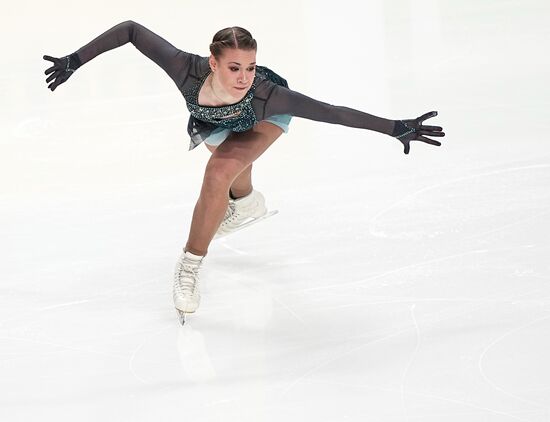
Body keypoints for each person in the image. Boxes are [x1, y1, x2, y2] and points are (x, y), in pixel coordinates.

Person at [43, 20, 445, 322]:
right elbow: (131, 30)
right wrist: (74, 60)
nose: (243, 77)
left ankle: (189, 265)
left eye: (251, 67)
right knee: (231, 177)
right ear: (212, 62)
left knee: (219, 172)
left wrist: (394, 128)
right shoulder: (184, 68)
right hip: (216, 121)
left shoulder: (267, 94)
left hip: (263, 119)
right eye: (234, 67)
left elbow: (331, 112)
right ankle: (248, 203)